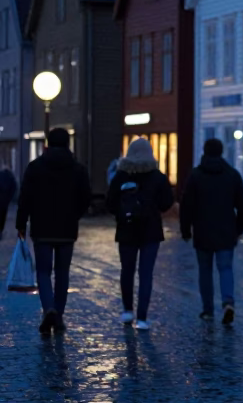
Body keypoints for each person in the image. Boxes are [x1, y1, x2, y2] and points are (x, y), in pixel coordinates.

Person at [15, 128, 92, 334]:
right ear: (68, 144)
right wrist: (74, 214)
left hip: (42, 227)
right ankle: (58, 313)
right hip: (67, 229)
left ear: (47, 144)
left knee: (43, 271)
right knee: (62, 272)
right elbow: (86, 198)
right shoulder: (78, 169)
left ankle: (49, 307)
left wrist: (21, 223)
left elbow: (25, 198)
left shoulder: (35, 167)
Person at [106, 138, 175, 330]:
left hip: (126, 230)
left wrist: (122, 213)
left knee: (126, 271)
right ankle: (142, 318)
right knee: (146, 274)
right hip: (150, 231)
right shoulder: (158, 176)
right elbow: (167, 202)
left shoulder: (121, 176)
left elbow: (110, 203)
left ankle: (127, 311)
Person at [180, 138, 243, 325]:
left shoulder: (195, 176)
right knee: (225, 268)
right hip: (226, 231)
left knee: (205, 270)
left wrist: (185, 230)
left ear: (204, 151)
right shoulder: (232, 175)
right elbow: (242, 206)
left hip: (202, 230)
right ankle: (228, 302)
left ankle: (208, 309)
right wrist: (239, 228)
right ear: (221, 152)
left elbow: (187, 206)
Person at [0, 162, 17, 238]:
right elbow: (14, 186)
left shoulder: (7, 175)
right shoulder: (9, 175)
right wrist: (9, 198)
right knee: (3, 215)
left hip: (4, 199)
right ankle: (0, 231)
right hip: (5, 200)